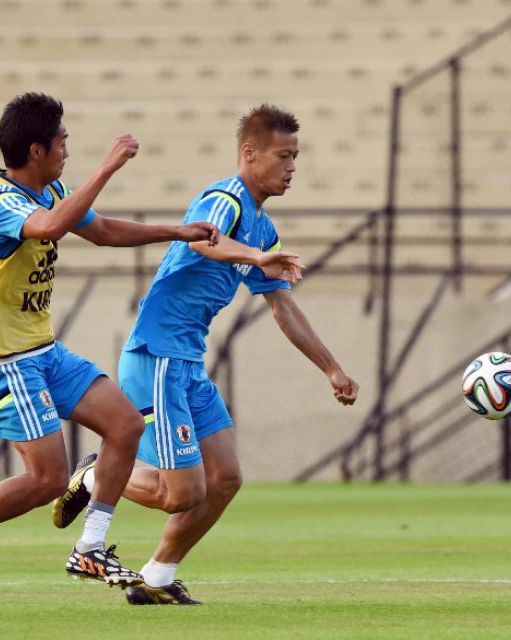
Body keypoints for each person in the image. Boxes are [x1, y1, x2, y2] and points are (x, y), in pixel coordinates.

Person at [0, 92, 220, 607]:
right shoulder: (1, 201)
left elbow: (100, 229)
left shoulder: (50, 187)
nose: (66, 152)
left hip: (42, 350)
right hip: (6, 362)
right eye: (62, 143)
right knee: (48, 479)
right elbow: (50, 226)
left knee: (125, 426)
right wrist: (108, 167)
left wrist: (177, 231)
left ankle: (90, 547)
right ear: (36, 150)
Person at [52, 104, 360, 604]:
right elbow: (204, 243)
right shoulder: (225, 198)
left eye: (296, 156)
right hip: (157, 358)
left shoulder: (262, 227)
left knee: (225, 479)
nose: (292, 167)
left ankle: (155, 580)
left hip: (187, 363)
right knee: (182, 493)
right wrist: (256, 256)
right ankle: (95, 473)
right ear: (249, 153)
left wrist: (332, 368)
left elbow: (283, 308)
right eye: (283, 155)